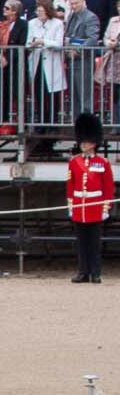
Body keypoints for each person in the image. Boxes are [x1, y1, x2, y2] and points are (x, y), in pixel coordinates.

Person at [69, 112, 112, 284]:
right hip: (80, 205)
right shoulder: (74, 162)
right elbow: (70, 186)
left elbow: (108, 188)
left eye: (86, 142)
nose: (83, 144)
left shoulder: (103, 163)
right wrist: (71, 206)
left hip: (95, 206)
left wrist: (105, 208)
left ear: (93, 144)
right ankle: (83, 272)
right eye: (82, 141)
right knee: (81, 242)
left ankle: (95, 273)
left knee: (95, 243)